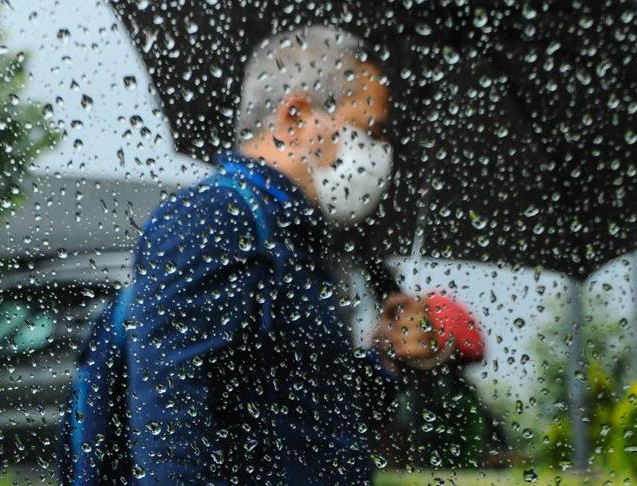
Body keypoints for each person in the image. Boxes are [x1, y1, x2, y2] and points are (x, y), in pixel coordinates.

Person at [62, 26, 446, 485]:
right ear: (295, 118)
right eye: (369, 130)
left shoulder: (298, 243)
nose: (382, 155)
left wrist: (388, 359)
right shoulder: (214, 219)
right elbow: (171, 423)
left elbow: (315, 417)